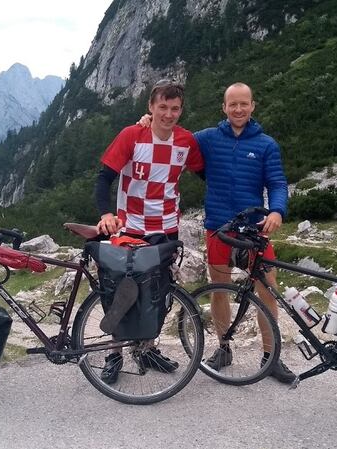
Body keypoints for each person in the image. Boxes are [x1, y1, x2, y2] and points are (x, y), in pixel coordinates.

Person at [139, 82, 293, 383]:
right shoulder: (207, 138)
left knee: (267, 290)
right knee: (219, 288)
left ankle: (270, 355)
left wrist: (277, 210)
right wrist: (147, 122)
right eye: (232, 104)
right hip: (218, 227)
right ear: (224, 107)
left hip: (253, 228)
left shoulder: (266, 144)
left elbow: (277, 183)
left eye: (243, 104)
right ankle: (223, 348)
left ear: (252, 106)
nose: (238, 109)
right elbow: (174, 136)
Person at [94, 79, 205, 384]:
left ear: (181, 110)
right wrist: (106, 213)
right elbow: (104, 178)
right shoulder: (132, 135)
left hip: (167, 228)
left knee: (160, 294)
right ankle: (114, 354)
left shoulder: (185, 141)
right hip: (130, 227)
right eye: (162, 107)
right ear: (150, 107)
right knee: (122, 294)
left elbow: (205, 171)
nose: (168, 114)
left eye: (175, 108)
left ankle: (146, 348)